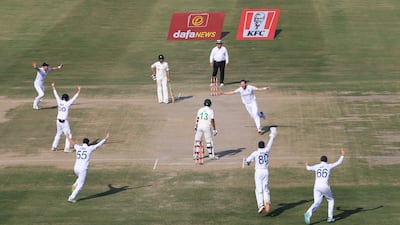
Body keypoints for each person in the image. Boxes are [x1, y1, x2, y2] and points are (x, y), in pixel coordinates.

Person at [65, 132, 110, 203]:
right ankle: (71, 197)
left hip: (76, 168)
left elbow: (72, 142)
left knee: (79, 178)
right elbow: (98, 145)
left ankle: (74, 184)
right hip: (83, 169)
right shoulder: (89, 148)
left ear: (82, 143)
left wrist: (67, 136)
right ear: (88, 143)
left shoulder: (78, 147)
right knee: (80, 185)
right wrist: (106, 138)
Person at [304, 149, 346, 224]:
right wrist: (342, 155)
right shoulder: (329, 166)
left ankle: (308, 213)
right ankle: (330, 217)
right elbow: (338, 163)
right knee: (331, 200)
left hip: (316, 187)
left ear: (320, 160)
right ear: (326, 161)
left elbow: (308, 168)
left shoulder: (317, 166)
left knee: (316, 203)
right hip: (325, 187)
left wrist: (306, 164)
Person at [246, 127, 277, 214]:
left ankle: (261, 205)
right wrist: (272, 135)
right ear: (263, 146)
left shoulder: (255, 153)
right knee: (265, 188)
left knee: (258, 189)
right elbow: (270, 143)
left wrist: (247, 162)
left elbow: (248, 160)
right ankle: (267, 201)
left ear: (258, 146)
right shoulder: (267, 150)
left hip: (258, 172)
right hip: (265, 171)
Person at [51, 82, 81, 152]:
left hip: (58, 121)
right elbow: (74, 98)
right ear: (67, 99)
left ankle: (54, 147)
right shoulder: (67, 103)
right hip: (64, 122)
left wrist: (53, 87)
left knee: (58, 134)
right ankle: (66, 148)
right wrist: (79, 91)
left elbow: (56, 94)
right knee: (68, 134)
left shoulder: (59, 102)